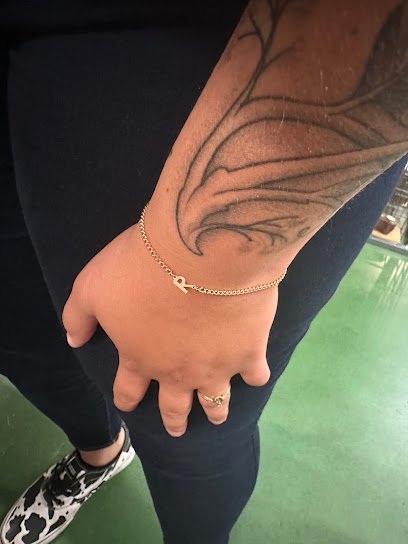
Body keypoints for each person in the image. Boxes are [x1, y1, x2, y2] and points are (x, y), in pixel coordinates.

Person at [1, 1, 407, 543]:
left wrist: (216, 267)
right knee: (20, 326)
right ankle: (100, 453)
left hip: (222, 46)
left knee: (187, 426)